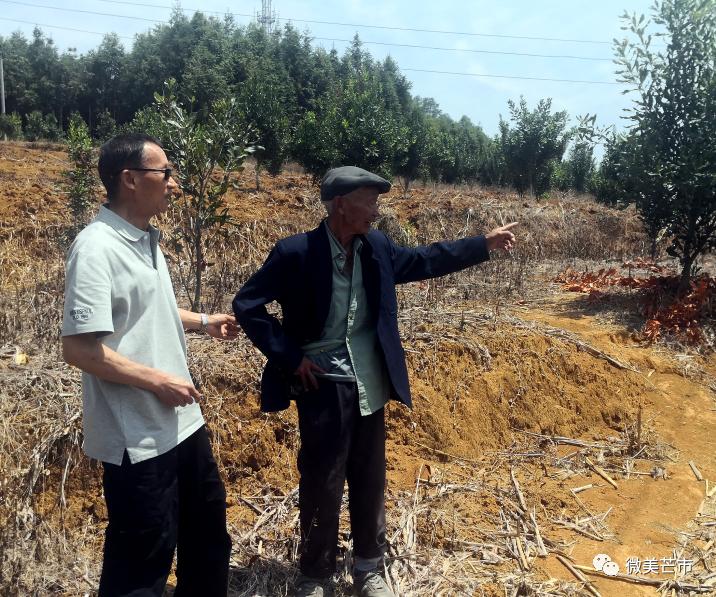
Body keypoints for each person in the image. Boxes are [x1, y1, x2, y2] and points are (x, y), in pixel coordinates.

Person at [233, 165, 517, 597]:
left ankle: (369, 568)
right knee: (322, 480)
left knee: (369, 478)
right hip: (322, 383)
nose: (376, 211)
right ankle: (315, 574)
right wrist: (291, 357)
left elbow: (425, 259)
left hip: (369, 379)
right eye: (369, 201)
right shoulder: (296, 253)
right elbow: (247, 304)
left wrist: (483, 244)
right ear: (340, 205)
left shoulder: (376, 247)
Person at [61, 133, 237, 597]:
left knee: (208, 539)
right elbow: (78, 349)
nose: (174, 183)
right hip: (136, 439)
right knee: (142, 562)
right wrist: (157, 380)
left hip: (181, 424)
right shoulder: (96, 248)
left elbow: (142, 310)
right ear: (131, 180)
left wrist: (202, 321)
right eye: (166, 173)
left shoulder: (144, 239)